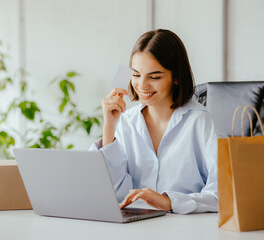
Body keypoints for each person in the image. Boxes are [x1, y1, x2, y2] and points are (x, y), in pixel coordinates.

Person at [90, 29, 219, 214]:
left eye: (154, 77)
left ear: (176, 77)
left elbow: (222, 194)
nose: (142, 85)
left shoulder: (201, 123)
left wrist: (169, 202)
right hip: (137, 227)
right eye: (135, 75)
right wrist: (108, 127)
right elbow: (114, 193)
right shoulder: (126, 122)